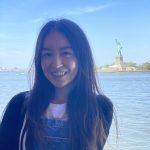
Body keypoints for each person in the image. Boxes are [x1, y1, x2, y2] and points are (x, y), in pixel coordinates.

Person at [0, 19, 113, 150]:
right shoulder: (19, 105)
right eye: (47, 54)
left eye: (66, 53)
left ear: (81, 57)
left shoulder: (100, 108)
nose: (56, 64)